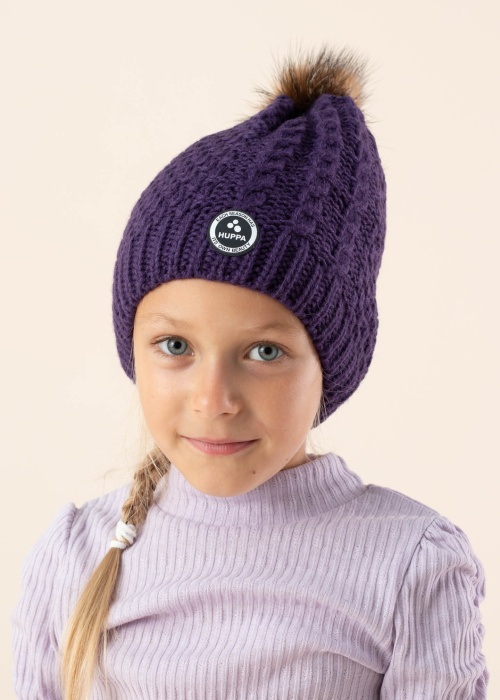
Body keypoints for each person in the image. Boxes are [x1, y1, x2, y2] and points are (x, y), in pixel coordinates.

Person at [12, 45, 489, 699]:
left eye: (264, 352)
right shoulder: (74, 557)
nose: (213, 400)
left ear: (332, 365)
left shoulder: (411, 565)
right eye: (175, 346)